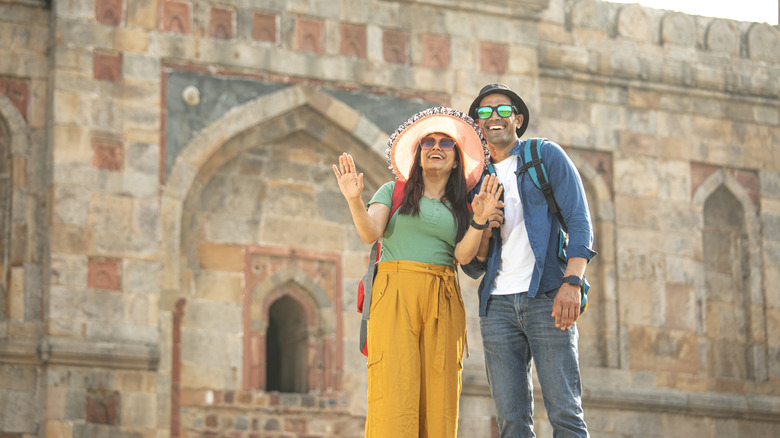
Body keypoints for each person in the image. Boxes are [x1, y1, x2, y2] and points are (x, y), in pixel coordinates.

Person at [332, 107, 502, 438]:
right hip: (395, 295)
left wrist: (480, 221)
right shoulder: (392, 191)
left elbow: (463, 257)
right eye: (428, 141)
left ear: (456, 159)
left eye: (446, 143)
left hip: (442, 298)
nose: (436, 147)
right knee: (394, 395)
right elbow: (370, 233)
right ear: (418, 153)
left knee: (439, 400)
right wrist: (354, 200)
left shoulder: (463, 207)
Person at [462, 83, 597, 438]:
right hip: (497, 307)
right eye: (486, 112)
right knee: (511, 421)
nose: (495, 117)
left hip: (547, 297)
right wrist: (485, 226)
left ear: (517, 119)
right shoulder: (476, 181)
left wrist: (572, 283)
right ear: (477, 124)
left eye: (503, 110)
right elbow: (473, 265)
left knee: (565, 412)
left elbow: (580, 222)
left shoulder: (545, 156)